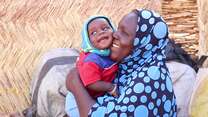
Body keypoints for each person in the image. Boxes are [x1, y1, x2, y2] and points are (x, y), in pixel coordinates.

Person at [66, 9, 177, 117]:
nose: (115, 35)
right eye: (118, 28)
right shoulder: (129, 65)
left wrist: (75, 85)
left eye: (124, 33)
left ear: (142, 43)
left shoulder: (149, 79)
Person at [65, 16, 119, 117]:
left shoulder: (111, 52)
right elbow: (91, 83)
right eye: (93, 33)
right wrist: (111, 87)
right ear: (88, 41)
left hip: (95, 95)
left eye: (105, 28)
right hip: (78, 100)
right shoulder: (92, 60)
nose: (101, 33)